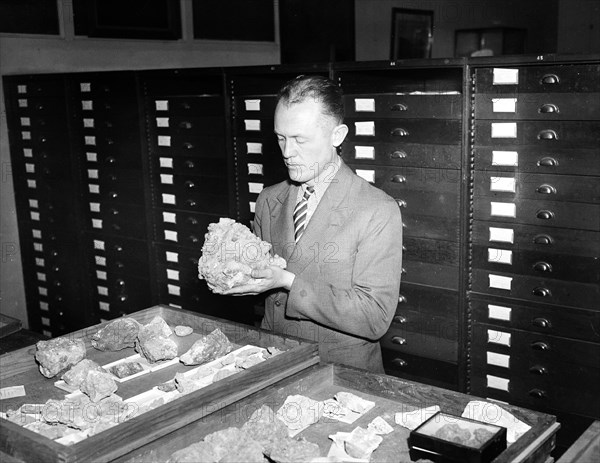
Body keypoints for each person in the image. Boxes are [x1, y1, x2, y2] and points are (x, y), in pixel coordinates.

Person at [223, 75, 403, 373]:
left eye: (300, 139)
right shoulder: (269, 199)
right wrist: (234, 272)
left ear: (337, 135)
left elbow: (374, 317)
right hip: (274, 362)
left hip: (340, 373)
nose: (287, 152)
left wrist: (288, 281)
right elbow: (261, 278)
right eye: (280, 138)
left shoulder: (376, 209)